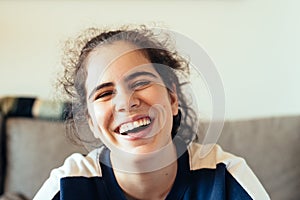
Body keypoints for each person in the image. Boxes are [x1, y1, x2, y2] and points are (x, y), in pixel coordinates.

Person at [34, 25, 269, 200]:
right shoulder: (68, 186)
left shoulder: (225, 179)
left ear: (172, 98)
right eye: (104, 93)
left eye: (140, 82)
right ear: (92, 123)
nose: (126, 102)